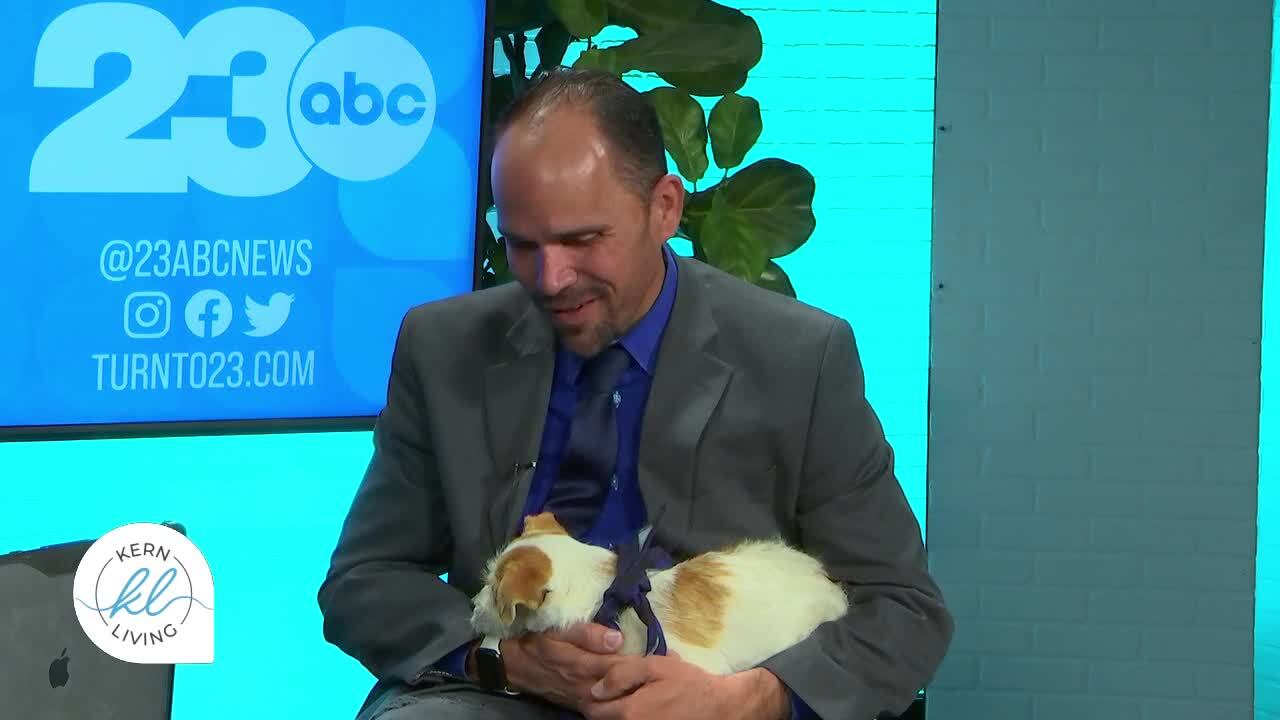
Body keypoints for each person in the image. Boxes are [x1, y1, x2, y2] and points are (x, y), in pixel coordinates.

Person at [317, 67, 953, 720]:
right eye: (521, 245)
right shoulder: (443, 346)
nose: (551, 278)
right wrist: (502, 660)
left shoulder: (798, 358)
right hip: (495, 693)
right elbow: (362, 583)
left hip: (718, 689)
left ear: (665, 209)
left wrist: (746, 699)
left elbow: (904, 608)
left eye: (583, 239)